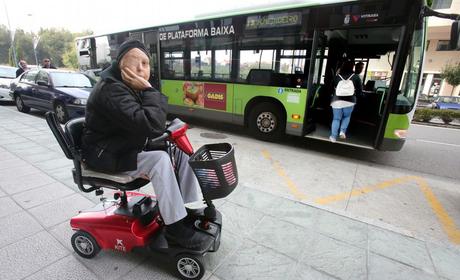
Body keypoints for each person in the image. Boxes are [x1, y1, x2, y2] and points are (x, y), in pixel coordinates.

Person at [81, 39, 207, 249]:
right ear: (122, 64)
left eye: (146, 64)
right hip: (104, 154)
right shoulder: (111, 90)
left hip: (122, 146)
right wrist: (149, 89)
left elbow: (148, 121)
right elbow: (150, 125)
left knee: (180, 150)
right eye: (135, 62)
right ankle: (175, 229)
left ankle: (188, 207)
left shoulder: (128, 85)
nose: (141, 68)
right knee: (159, 160)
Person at [329, 60, 362, 142]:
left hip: (336, 100)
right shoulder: (356, 77)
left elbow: (330, 88)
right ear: (352, 67)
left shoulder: (337, 76)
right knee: (346, 117)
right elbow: (359, 91)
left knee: (336, 119)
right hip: (350, 100)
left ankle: (333, 137)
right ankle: (342, 131)